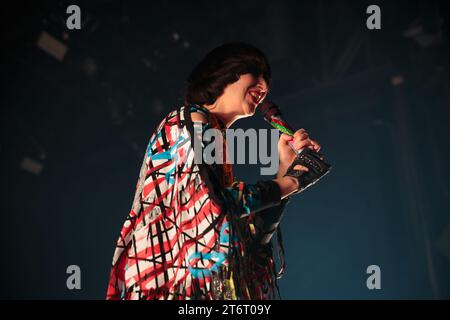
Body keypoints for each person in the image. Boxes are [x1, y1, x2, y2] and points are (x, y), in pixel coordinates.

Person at [106, 42, 321, 300]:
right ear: (226, 72)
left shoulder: (216, 140)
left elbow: (250, 241)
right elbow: (214, 205)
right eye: (256, 71)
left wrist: (285, 171)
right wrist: (292, 180)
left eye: (268, 82)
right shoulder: (190, 119)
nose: (265, 86)